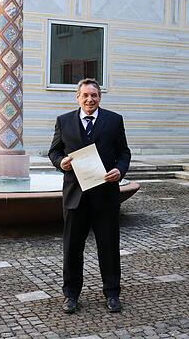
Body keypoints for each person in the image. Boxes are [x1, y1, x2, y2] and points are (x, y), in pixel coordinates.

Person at [48, 78, 131, 314]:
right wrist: (60, 162)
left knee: (109, 246)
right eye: (85, 95)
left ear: (99, 97)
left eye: (94, 95)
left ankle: (112, 294)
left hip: (105, 195)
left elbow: (124, 152)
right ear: (78, 97)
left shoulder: (114, 120)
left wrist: (120, 169)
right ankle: (71, 295)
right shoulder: (64, 121)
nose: (89, 99)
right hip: (76, 196)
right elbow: (54, 151)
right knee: (72, 248)